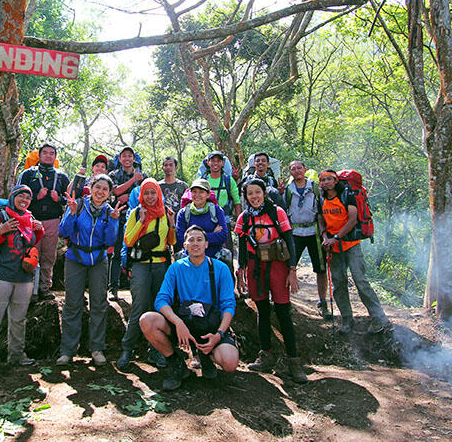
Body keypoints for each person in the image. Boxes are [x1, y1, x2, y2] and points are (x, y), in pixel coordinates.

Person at [139, 226, 239, 390]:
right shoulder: (176, 268)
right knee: (147, 320)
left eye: (199, 239)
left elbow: (229, 305)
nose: (195, 244)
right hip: (184, 324)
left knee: (230, 363)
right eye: (191, 240)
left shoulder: (220, 268)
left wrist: (219, 334)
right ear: (184, 245)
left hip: (210, 328)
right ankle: (176, 363)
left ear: (207, 244)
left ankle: (206, 356)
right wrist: (178, 323)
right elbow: (161, 300)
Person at [234, 178, 307, 384]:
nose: (254, 197)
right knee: (263, 311)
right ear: (245, 196)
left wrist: (292, 270)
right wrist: (241, 271)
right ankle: (265, 355)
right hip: (256, 267)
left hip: (278, 265)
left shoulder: (277, 212)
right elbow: (241, 244)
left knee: (283, 311)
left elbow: (290, 240)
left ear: (264, 193)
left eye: (258, 192)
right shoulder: (245, 217)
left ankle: (294, 360)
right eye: (250, 193)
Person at [0, 185, 45, 377]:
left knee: (18, 320)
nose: (24, 200)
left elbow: (29, 244)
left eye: (28, 198)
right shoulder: (0, 217)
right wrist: (1, 231)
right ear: (12, 197)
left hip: (23, 277)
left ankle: (16, 356)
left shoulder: (29, 219)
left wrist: (39, 231)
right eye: (20, 196)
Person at [56, 174, 125, 366]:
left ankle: (97, 348)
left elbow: (110, 241)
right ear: (90, 187)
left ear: (109, 193)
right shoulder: (77, 205)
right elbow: (63, 232)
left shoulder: (110, 212)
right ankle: (68, 350)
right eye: (98, 187)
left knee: (98, 303)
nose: (100, 192)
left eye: (105, 189)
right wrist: (70, 214)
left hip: (98, 260)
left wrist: (113, 221)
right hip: (75, 258)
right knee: (72, 304)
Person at [317, 169, 390, 335]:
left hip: (351, 244)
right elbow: (320, 218)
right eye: (323, 180)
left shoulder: (347, 195)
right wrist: (325, 236)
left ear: (336, 181)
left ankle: (379, 317)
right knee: (338, 282)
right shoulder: (321, 198)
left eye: (330, 179)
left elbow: (352, 219)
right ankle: (347, 319)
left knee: (360, 279)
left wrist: (336, 237)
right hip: (333, 247)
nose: (326, 182)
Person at [117, 179, 177, 369]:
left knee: (159, 308)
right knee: (140, 306)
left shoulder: (165, 213)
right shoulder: (136, 213)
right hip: (141, 266)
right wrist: (141, 221)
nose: (150, 197)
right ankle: (127, 349)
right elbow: (128, 241)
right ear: (141, 195)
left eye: (153, 193)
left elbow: (171, 241)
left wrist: (173, 224)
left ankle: (157, 350)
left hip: (160, 266)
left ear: (158, 194)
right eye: (146, 194)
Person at [16, 142, 70, 300]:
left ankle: (45, 288)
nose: (48, 155)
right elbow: (17, 197)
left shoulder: (61, 176)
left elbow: (70, 199)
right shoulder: (28, 174)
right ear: (39, 155)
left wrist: (58, 198)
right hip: (31, 220)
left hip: (52, 220)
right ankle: (29, 289)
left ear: (55, 156)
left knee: (48, 255)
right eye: (45, 152)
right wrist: (35, 196)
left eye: (51, 153)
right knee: (31, 253)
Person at [285, 160, 331, 320]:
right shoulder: (288, 190)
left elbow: (322, 211)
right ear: (290, 172)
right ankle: (285, 301)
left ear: (304, 169)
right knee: (289, 266)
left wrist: (324, 233)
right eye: (293, 169)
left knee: (321, 268)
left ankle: (322, 301)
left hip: (314, 232)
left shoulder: (316, 188)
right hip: (295, 232)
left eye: (299, 168)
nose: (296, 171)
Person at [108, 146, 146, 300]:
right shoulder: (114, 174)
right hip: (120, 218)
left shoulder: (143, 175)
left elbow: (146, 194)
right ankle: (113, 288)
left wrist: (128, 195)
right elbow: (115, 191)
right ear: (120, 159)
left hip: (139, 219)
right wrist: (133, 181)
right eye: (124, 156)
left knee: (137, 252)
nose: (127, 159)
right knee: (117, 253)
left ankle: (136, 288)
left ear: (134, 158)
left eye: (130, 156)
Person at [175, 178, 229, 260]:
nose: (197, 195)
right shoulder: (183, 213)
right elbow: (180, 239)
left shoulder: (216, 210)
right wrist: (211, 234)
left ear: (208, 195)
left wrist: (192, 239)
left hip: (214, 259)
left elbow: (223, 236)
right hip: (190, 261)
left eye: (201, 192)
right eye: (194, 192)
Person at [200, 151, 241, 256]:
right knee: (207, 252)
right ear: (208, 163)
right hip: (206, 220)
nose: (215, 163)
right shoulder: (203, 181)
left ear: (223, 163)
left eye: (218, 161)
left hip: (224, 220)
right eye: (213, 160)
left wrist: (239, 222)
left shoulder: (228, 180)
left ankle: (229, 272)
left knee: (227, 253)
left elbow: (237, 201)